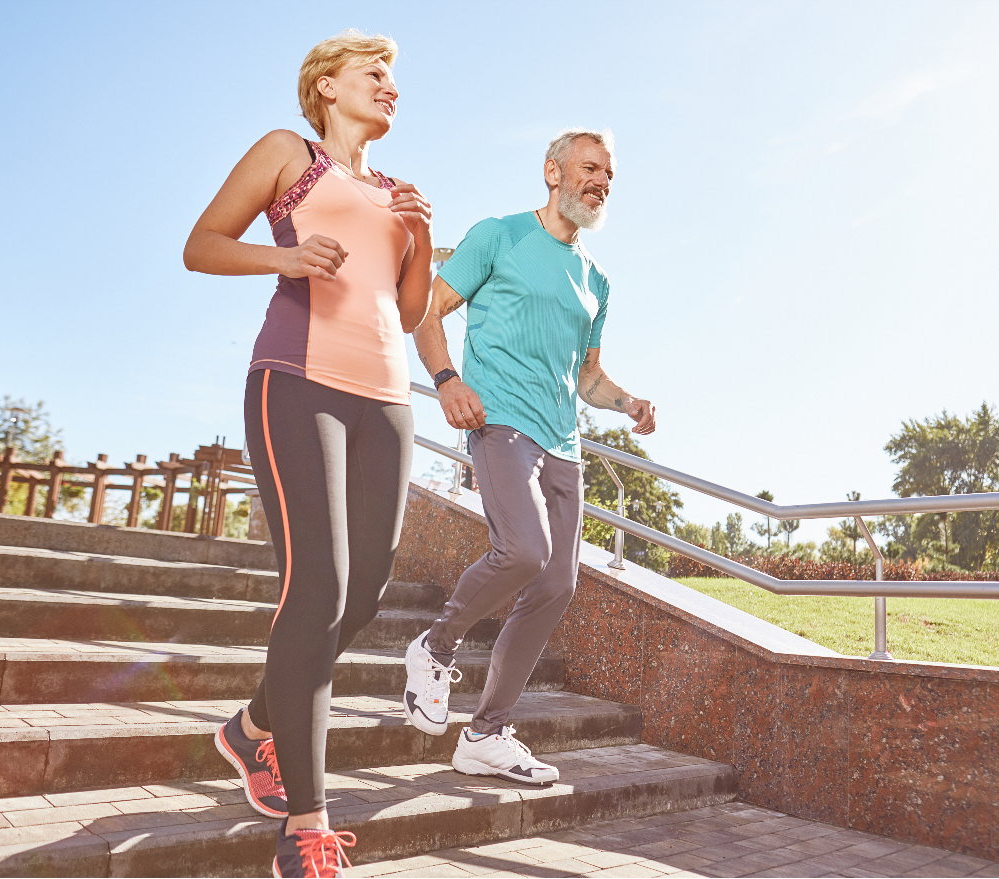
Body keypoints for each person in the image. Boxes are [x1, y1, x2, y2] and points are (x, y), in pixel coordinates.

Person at [182, 30, 432, 879]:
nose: (391, 87)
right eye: (375, 73)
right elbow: (202, 244)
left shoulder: (397, 189)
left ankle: (251, 725)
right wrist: (284, 256)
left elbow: (406, 310)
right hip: (297, 379)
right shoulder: (290, 154)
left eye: (395, 77)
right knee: (315, 583)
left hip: (388, 398)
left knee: (363, 591)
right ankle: (306, 825)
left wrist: (421, 239)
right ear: (326, 85)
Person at [404, 128, 655, 784]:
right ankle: (435, 646)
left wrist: (626, 402)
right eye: (589, 167)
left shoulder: (596, 280)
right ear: (553, 171)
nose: (601, 181)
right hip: (500, 422)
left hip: (563, 443)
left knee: (556, 583)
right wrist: (446, 380)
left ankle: (485, 733)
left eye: (609, 174)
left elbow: (589, 377)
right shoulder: (499, 236)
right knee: (524, 550)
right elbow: (427, 311)